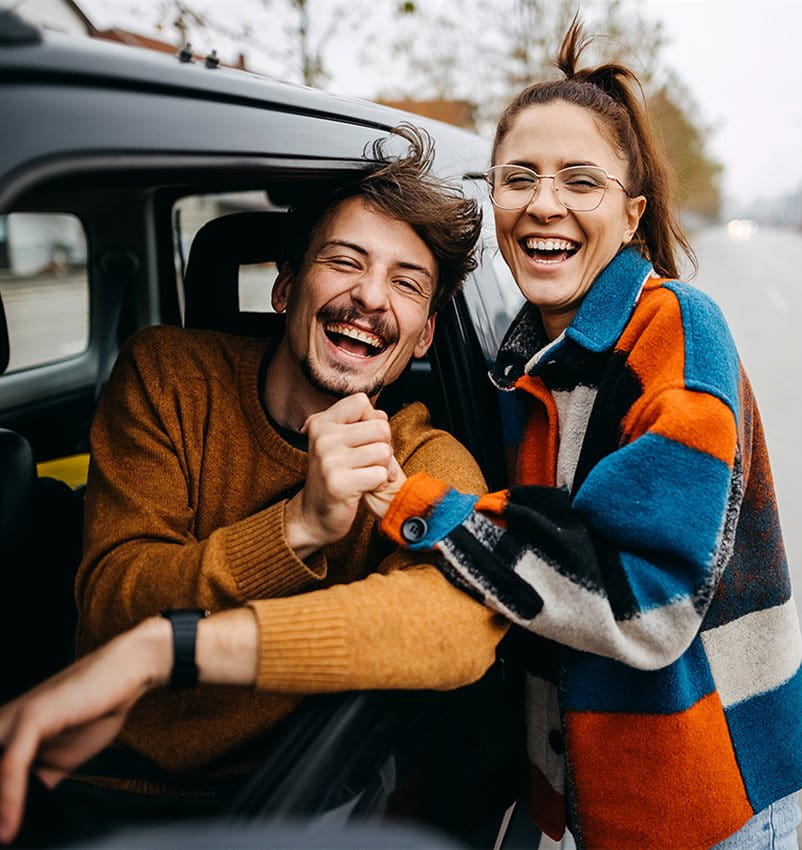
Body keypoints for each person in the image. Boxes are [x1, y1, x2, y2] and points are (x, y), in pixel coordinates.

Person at [376, 21, 802, 850]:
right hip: (586, 802)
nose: (545, 203)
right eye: (519, 178)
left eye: (582, 181)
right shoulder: (522, 352)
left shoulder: (679, 333)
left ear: (631, 213)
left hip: (704, 801)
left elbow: (646, 599)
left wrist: (412, 503)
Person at [0, 125, 509, 844]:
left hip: (275, 802)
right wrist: (298, 527)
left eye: (405, 282)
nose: (369, 297)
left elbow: (459, 627)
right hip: (84, 776)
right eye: (344, 261)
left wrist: (167, 649)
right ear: (285, 286)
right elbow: (113, 597)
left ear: (422, 336)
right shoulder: (168, 376)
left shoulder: (422, 457)